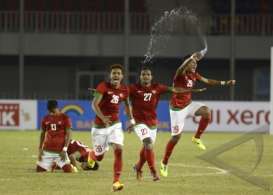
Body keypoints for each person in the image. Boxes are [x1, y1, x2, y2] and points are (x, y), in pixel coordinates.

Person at [160, 52, 236, 177]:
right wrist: (191, 57)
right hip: (177, 109)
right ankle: (164, 162)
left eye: (196, 63)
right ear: (186, 64)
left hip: (188, 104)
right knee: (176, 138)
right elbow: (180, 68)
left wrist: (225, 83)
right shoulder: (179, 75)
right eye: (192, 62)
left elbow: (208, 81)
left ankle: (196, 138)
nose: (195, 64)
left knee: (206, 112)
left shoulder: (194, 75)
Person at [130, 66, 206, 181]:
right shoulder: (133, 88)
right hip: (139, 122)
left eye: (148, 74)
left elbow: (175, 89)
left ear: (151, 77)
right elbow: (119, 93)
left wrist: (191, 90)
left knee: (147, 147)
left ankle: (138, 167)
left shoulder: (157, 87)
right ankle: (153, 172)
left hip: (152, 123)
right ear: (140, 77)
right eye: (143, 74)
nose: (146, 76)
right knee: (148, 143)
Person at [88, 64, 135, 191]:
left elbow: (127, 105)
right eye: (114, 73)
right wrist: (103, 118)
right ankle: (91, 155)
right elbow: (94, 104)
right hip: (99, 128)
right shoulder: (103, 86)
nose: (116, 75)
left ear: (122, 76)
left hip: (115, 125)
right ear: (110, 75)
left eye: (118, 73)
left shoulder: (125, 90)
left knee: (119, 149)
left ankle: (116, 182)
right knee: (99, 157)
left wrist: (131, 120)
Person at [36, 100, 74, 173]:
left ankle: (69, 166)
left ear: (56, 107)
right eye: (49, 110)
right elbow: (42, 133)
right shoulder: (46, 118)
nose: (51, 112)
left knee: (68, 171)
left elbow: (69, 134)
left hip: (60, 152)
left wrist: (65, 149)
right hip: (47, 150)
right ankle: (53, 164)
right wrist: (40, 149)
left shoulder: (65, 117)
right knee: (39, 171)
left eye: (52, 109)